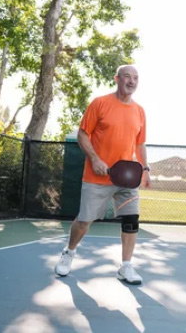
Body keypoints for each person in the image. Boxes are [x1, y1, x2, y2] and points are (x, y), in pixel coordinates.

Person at [54, 64, 151, 284]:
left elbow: (140, 143)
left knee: (131, 219)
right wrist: (96, 159)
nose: (132, 81)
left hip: (127, 178)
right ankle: (68, 252)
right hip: (97, 176)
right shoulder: (100, 103)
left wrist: (145, 169)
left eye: (136, 77)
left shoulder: (139, 111)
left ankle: (126, 267)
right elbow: (82, 134)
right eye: (127, 76)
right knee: (84, 220)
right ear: (117, 79)